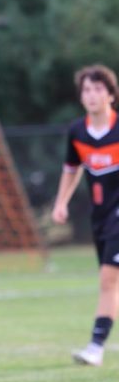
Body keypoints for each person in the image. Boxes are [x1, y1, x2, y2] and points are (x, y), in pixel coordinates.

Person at [52, 64, 119, 366]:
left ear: (111, 94)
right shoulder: (77, 131)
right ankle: (97, 346)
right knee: (110, 282)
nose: (91, 95)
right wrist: (61, 202)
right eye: (86, 90)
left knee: (108, 278)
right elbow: (71, 170)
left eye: (98, 89)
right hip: (101, 217)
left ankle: (95, 346)